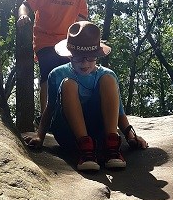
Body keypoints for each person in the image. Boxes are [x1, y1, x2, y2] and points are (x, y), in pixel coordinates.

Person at [24, 21, 148, 171]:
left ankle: (112, 147)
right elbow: (49, 109)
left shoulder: (106, 75)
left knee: (108, 79)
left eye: (90, 57)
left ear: (97, 55)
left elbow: (119, 112)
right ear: (70, 56)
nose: (85, 62)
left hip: (99, 134)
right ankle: (85, 150)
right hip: (69, 135)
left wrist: (131, 136)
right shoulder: (57, 74)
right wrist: (40, 136)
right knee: (68, 84)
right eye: (79, 57)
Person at [16, 0, 88, 113]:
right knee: (48, 75)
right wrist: (23, 15)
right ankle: (45, 118)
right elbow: (25, 5)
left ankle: (69, 116)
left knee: (70, 79)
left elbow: (81, 24)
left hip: (68, 45)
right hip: (45, 41)